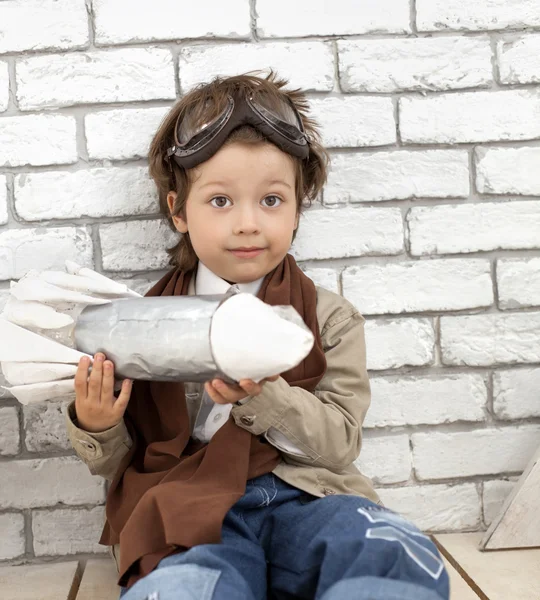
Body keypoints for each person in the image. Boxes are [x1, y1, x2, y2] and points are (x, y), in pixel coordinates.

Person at [65, 71, 449, 600]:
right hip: (187, 506)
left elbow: (339, 444)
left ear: (296, 208)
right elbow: (119, 461)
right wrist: (98, 424)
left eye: (270, 200)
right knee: (183, 590)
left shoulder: (330, 318)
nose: (248, 223)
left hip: (310, 497)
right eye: (220, 201)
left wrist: (267, 398)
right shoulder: (140, 322)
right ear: (178, 210)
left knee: (397, 555)